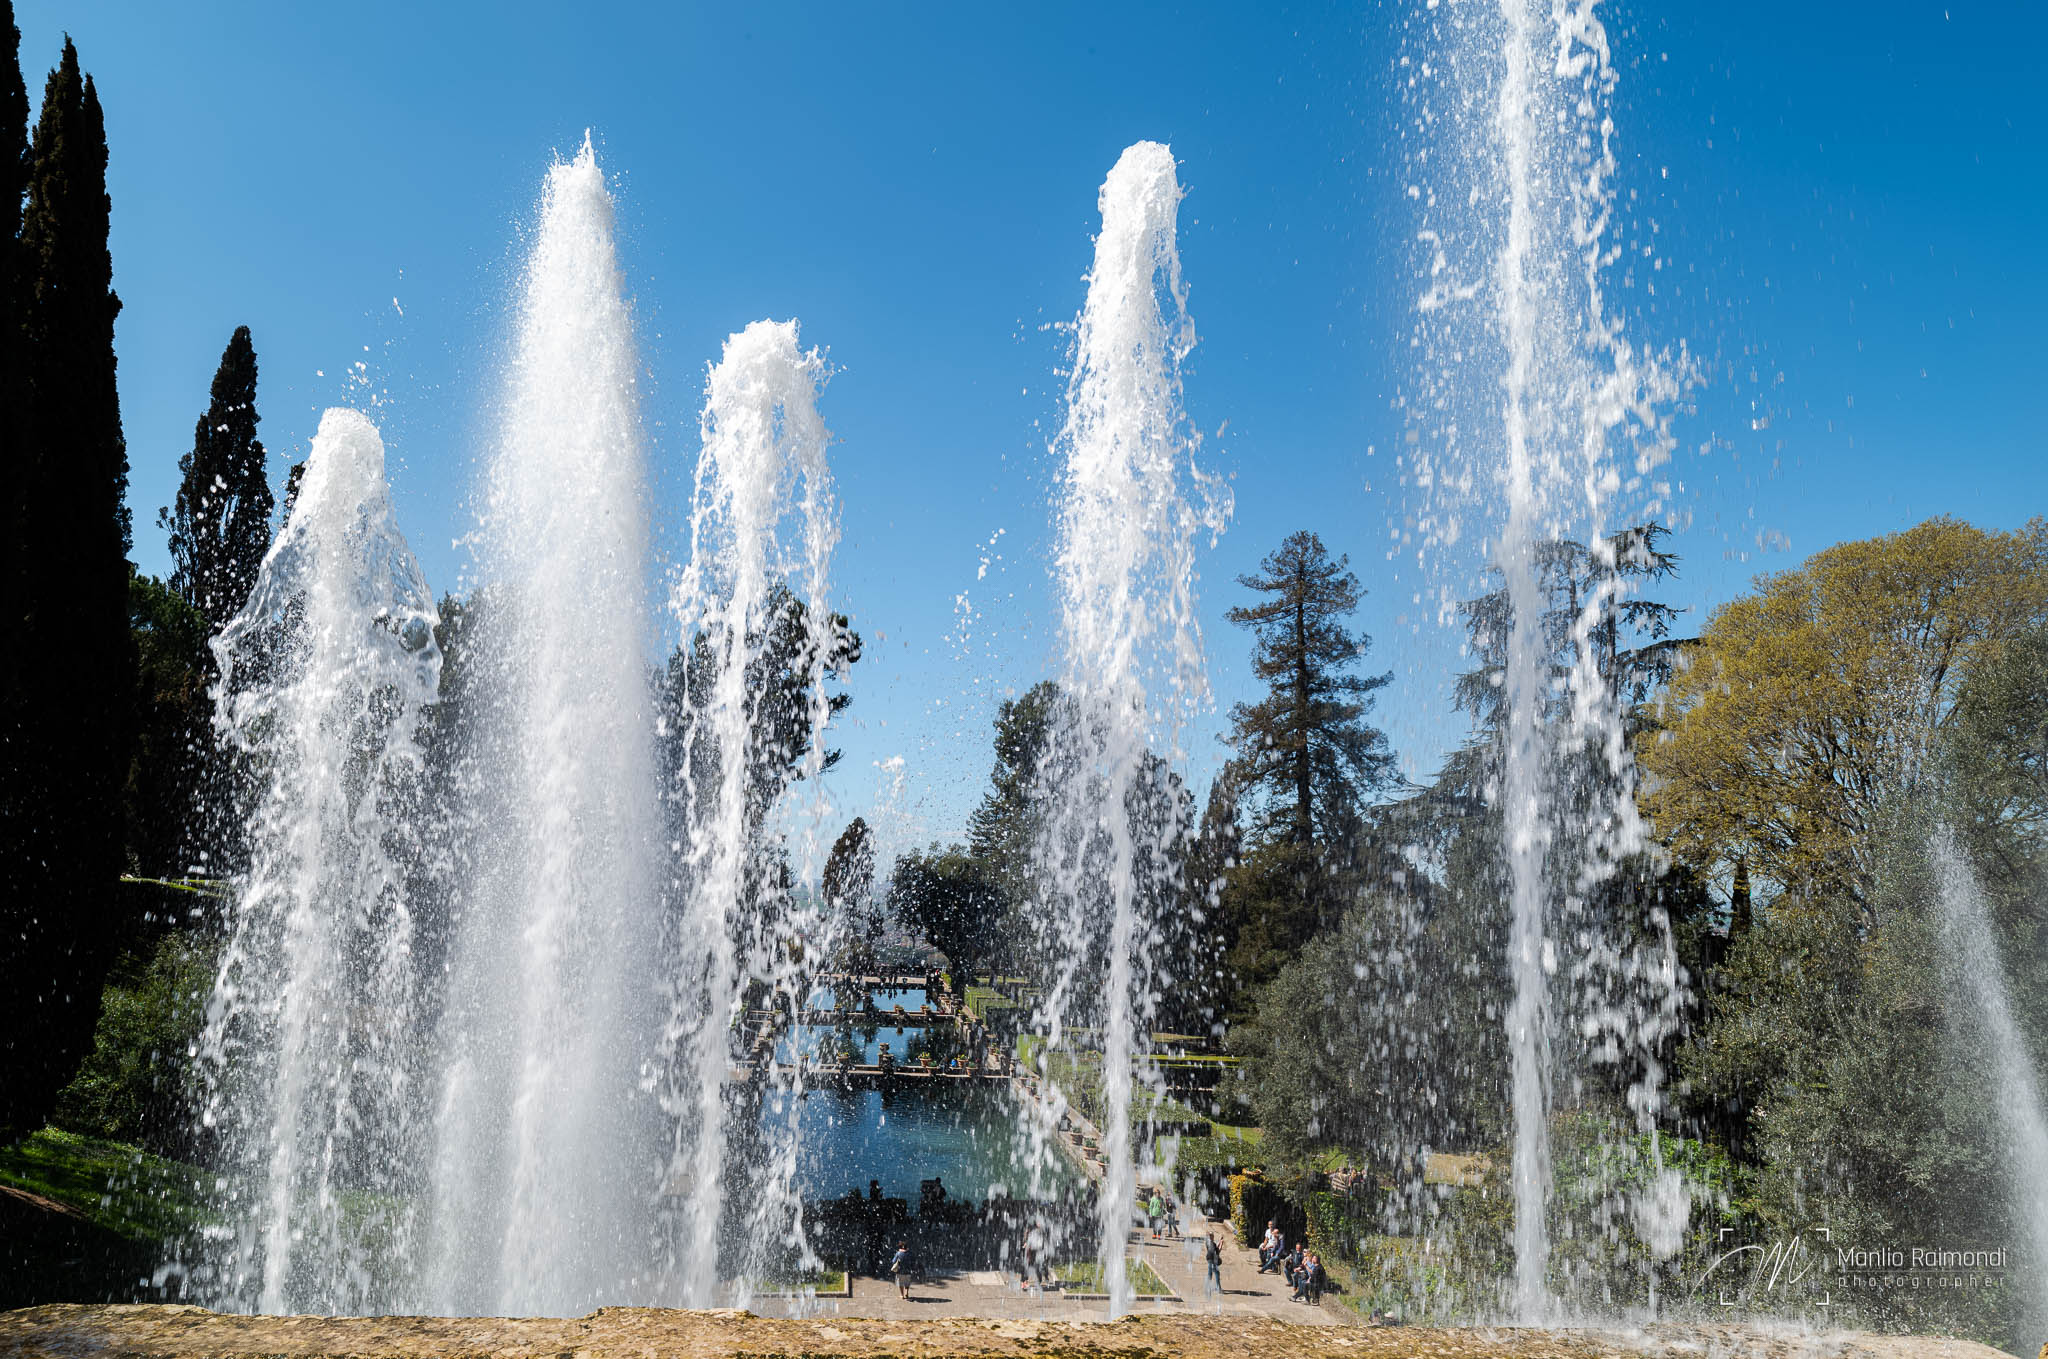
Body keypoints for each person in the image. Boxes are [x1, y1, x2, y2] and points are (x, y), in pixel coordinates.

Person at [1204, 1230, 1224, 1298]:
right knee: (1217, 1273)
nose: (1212, 1237)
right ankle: (1219, 1289)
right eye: (1212, 1236)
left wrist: (1220, 1241)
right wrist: (1221, 1244)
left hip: (1210, 1259)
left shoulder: (1208, 1242)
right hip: (1213, 1260)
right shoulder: (1211, 1243)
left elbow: (1215, 1247)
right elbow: (1218, 1251)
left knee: (1210, 1274)